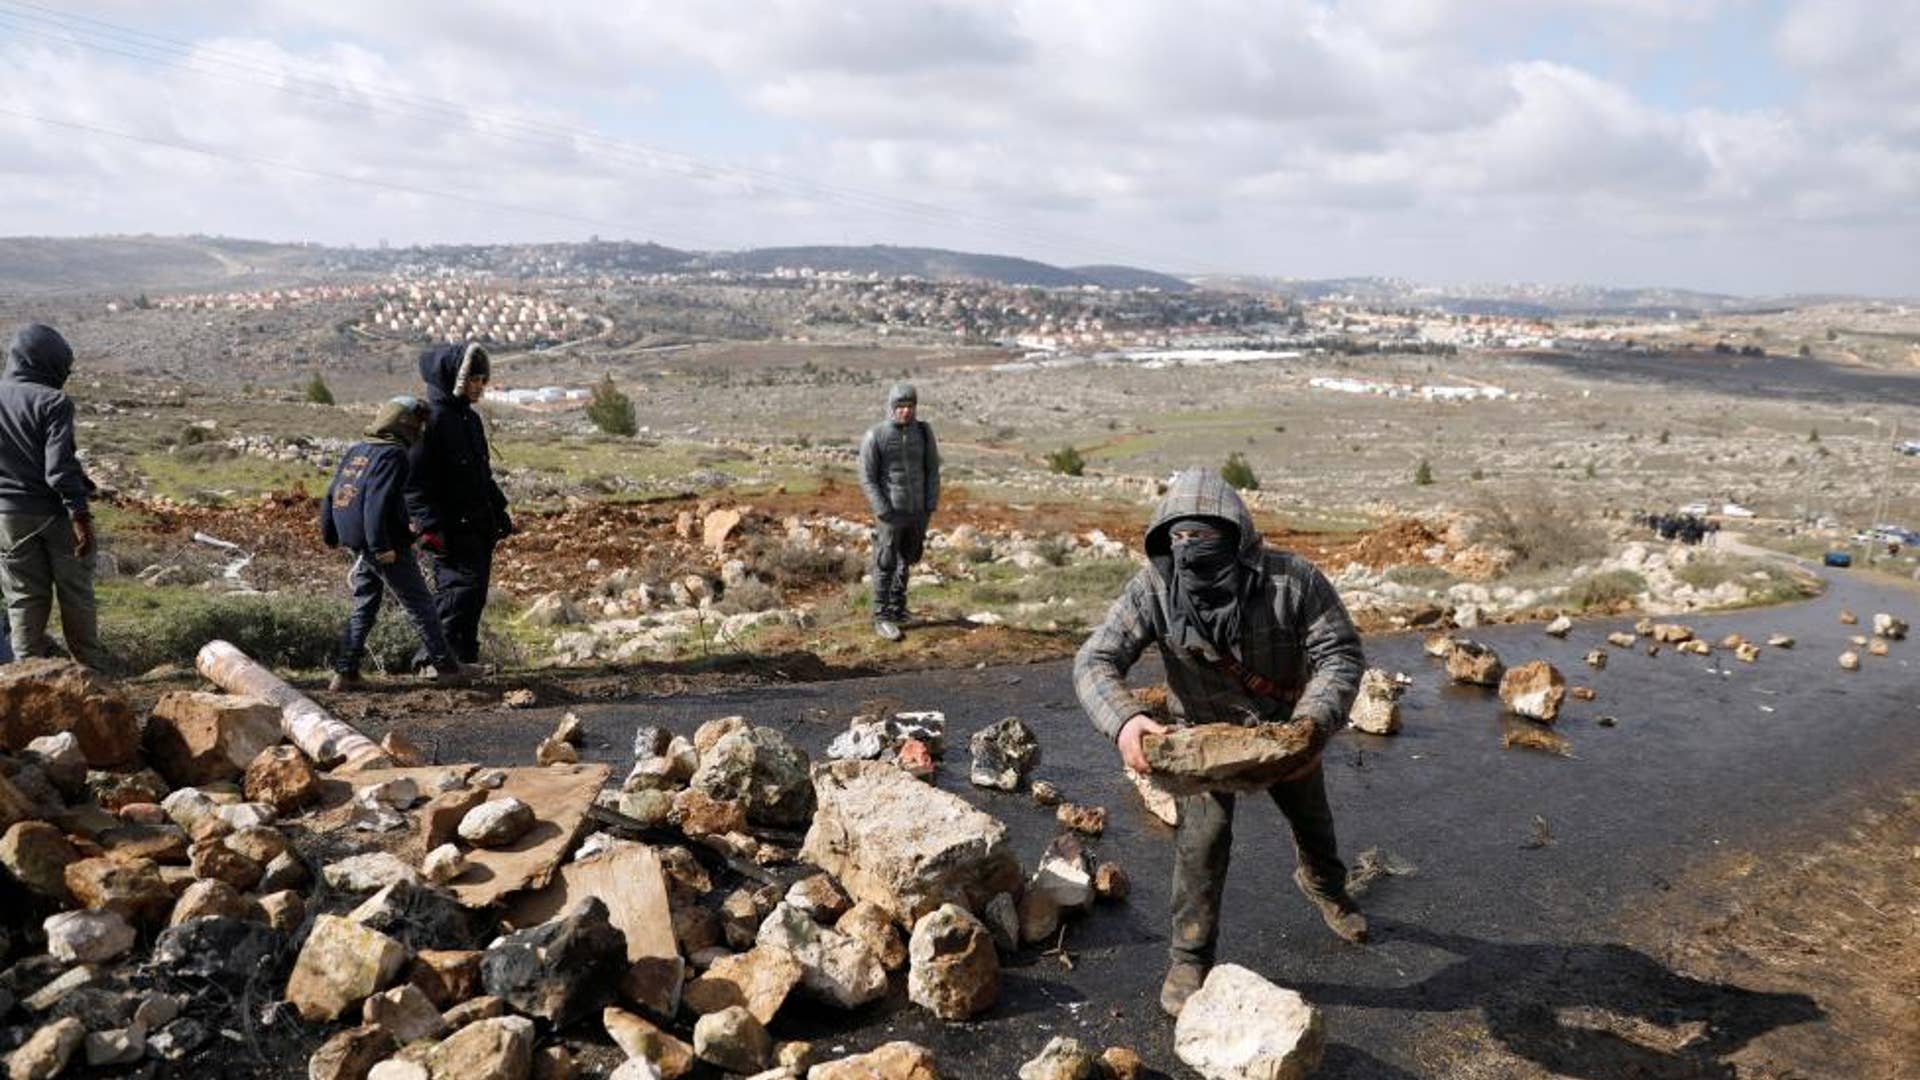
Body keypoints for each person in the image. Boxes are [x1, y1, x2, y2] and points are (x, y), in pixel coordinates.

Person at [1073, 466, 1367, 1018]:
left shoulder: (1293, 581)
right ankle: (1190, 956)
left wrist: (1310, 725)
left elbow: (1339, 654)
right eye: (1179, 538)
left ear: (1239, 538)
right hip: (1197, 745)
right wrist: (1127, 722)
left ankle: (1325, 887)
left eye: (1205, 537)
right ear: (1164, 541)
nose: (1191, 549)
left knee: (1314, 824)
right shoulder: (1153, 590)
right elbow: (1095, 660)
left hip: (1284, 735)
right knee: (1201, 846)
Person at [321, 397, 475, 690]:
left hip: (358, 541)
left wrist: (330, 534)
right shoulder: (393, 454)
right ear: (404, 423)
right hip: (382, 544)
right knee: (420, 604)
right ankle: (447, 667)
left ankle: (345, 672)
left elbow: (333, 494)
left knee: (365, 603)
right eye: (418, 423)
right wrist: (382, 546)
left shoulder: (358, 451)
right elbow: (375, 501)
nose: (420, 431)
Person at [0, 324, 106, 669]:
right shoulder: (53, 401)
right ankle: (88, 672)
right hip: (55, 514)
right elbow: (58, 469)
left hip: (8, 516)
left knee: (23, 597)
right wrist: (81, 517)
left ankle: (24, 674)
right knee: (75, 593)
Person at [405, 343, 512, 666]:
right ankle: (431, 660)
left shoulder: (470, 420)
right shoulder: (429, 421)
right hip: (449, 529)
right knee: (457, 593)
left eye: (483, 379)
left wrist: (499, 511)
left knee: (474, 596)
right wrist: (429, 528)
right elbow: (413, 483)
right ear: (454, 377)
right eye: (474, 379)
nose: (480, 386)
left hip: (477, 526)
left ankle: (463, 658)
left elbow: (481, 475)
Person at [858, 382, 939, 641]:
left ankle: (898, 609)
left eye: (910, 406)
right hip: (890, 512)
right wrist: (882, 509)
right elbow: (867, 477)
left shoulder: (924, 433)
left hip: (917, 511)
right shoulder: (876, 435)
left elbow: (932, 470)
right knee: (885, 562)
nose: (905, 411)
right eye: (900, 406)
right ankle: (881, 617)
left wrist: (930, 504)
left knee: (908, 559)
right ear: (892, 407)